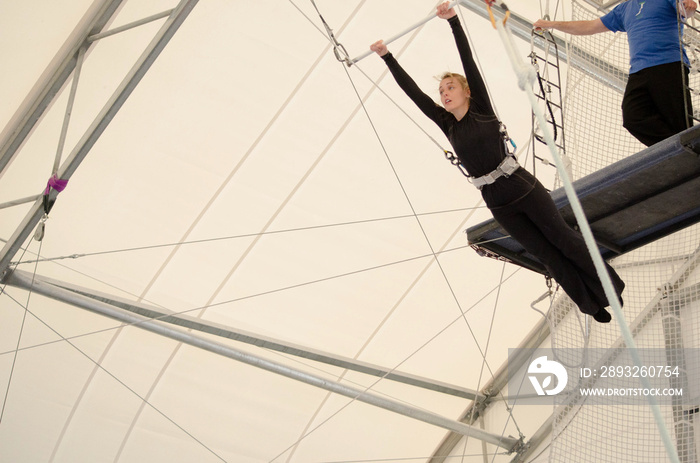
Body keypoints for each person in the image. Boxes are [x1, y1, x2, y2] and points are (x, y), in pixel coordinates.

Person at [370, 2, 625, 323]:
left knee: (563, 240)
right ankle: (590, 304)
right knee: (547, 256)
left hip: (521, 187)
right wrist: (386, 57)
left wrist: (453, 23)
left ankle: (610, 289)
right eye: (441, 90)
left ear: (466, 91)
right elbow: (414, 94)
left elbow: (468, 60)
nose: (444, 93)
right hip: (497, 202)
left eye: (450, 87)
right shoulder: (446, 123)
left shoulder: (482, 109)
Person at [534, 0, 697, 147]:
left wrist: (688, 7)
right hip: (638, 71)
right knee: (633, 117)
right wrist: (553, 24)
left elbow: (684, 10)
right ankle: (680, 149)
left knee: (678, 120)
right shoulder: (624, 9)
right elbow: (589, 26)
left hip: (668, 64)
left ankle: (687, 150)